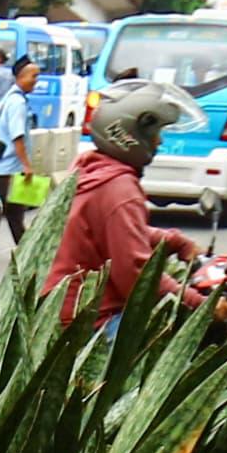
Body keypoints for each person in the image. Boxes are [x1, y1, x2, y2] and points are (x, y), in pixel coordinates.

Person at [47, 85, 197, 325]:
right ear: (131, 135)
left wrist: (173, 241)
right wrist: (200, 305)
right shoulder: (120, 188)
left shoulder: (89, 169)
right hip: (92, 321)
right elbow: (136, 276)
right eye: (155, 132)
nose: (159, 141)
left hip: (59, 309)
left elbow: (117, 232)